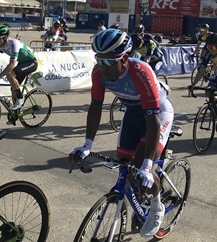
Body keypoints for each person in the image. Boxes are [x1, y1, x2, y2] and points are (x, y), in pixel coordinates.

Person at [69, 29, 173, 238]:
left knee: (145, 167)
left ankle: (156, 206)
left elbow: (153, 121)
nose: (103, 67)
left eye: (109, 61)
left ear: (124, 58)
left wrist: (147, 165)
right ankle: (138, 198)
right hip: (133, 115)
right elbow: (95, 106)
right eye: (99, 60)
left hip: (157, 115)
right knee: (126, 166)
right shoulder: (98, 73)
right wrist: (87, 144)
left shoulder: (141, 72)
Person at [0, 24, 37, 111]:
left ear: (5, 37)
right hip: (22, 63)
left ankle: (20, 98)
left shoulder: (14, 44)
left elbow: (12, 64)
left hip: (31, 62)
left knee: (9, 74)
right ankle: (15, 112)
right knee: (13, 88)